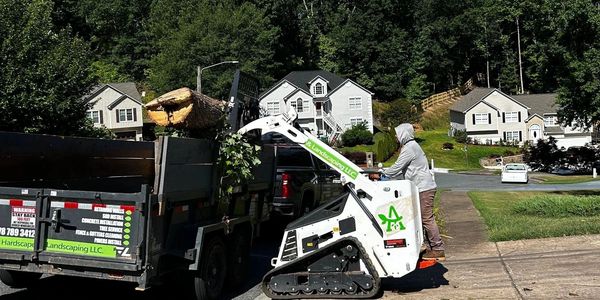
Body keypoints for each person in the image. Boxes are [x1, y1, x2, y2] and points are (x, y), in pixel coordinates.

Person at [382, 123, 445, 261]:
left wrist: (382, 174)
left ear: (403, 134)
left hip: (424, 188)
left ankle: (438, 249)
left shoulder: (410, 148)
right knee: (421, 218)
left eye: (397, 134)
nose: (396, 137)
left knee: (426, 218)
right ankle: (429, 247)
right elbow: (405, 170)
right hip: (422, 187)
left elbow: (397, 167)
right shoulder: (412, 146)